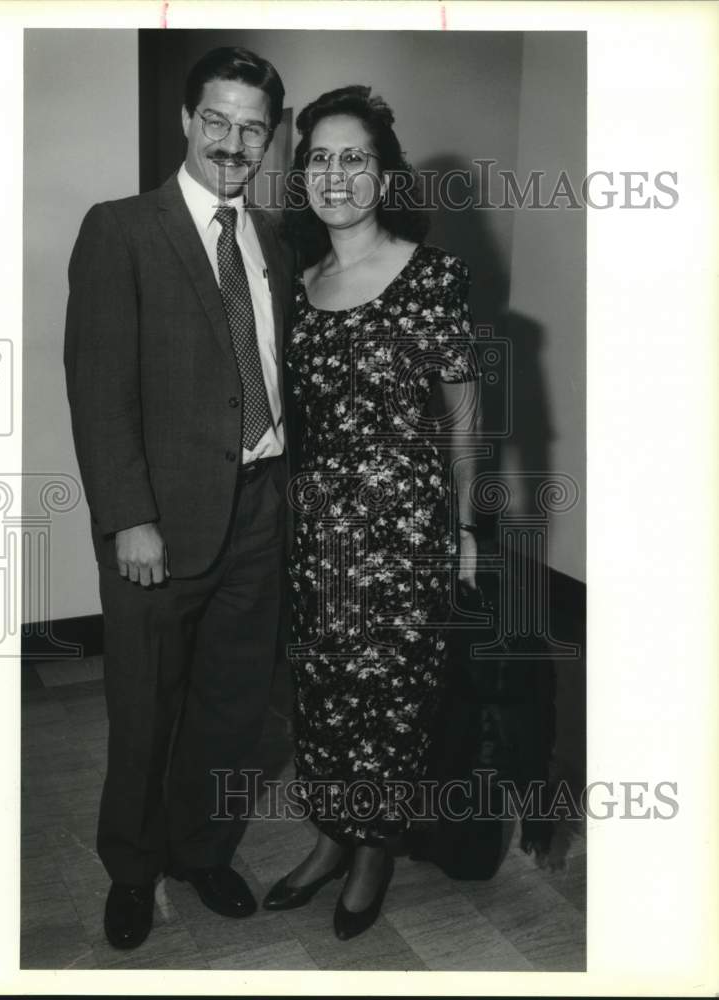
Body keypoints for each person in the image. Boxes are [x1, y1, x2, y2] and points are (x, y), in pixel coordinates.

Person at [64, 46, 293, 950]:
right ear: (186, 121)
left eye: (253, 128)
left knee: (233, 702)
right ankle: (130, 866)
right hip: (158, 520)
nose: (234, 143)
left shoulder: (274, 237)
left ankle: (203, 851)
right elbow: (99, 385)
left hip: (262, 505)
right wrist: (128, 516)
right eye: (218, 121)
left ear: (269, 138)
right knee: (145, 703)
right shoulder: (121, 228)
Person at [262, 86, 482, 939]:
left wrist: (464, 528)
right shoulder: (300, 280)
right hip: (317, 538)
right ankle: (328, 837)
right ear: (303, 173)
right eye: (319, 157)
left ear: (385, 174)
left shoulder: (435, 277)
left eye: (355, 157)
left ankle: (373, 852)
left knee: (389, 701)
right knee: (320, 695)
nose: (336, 174)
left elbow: (464, 417)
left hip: (405, 535)